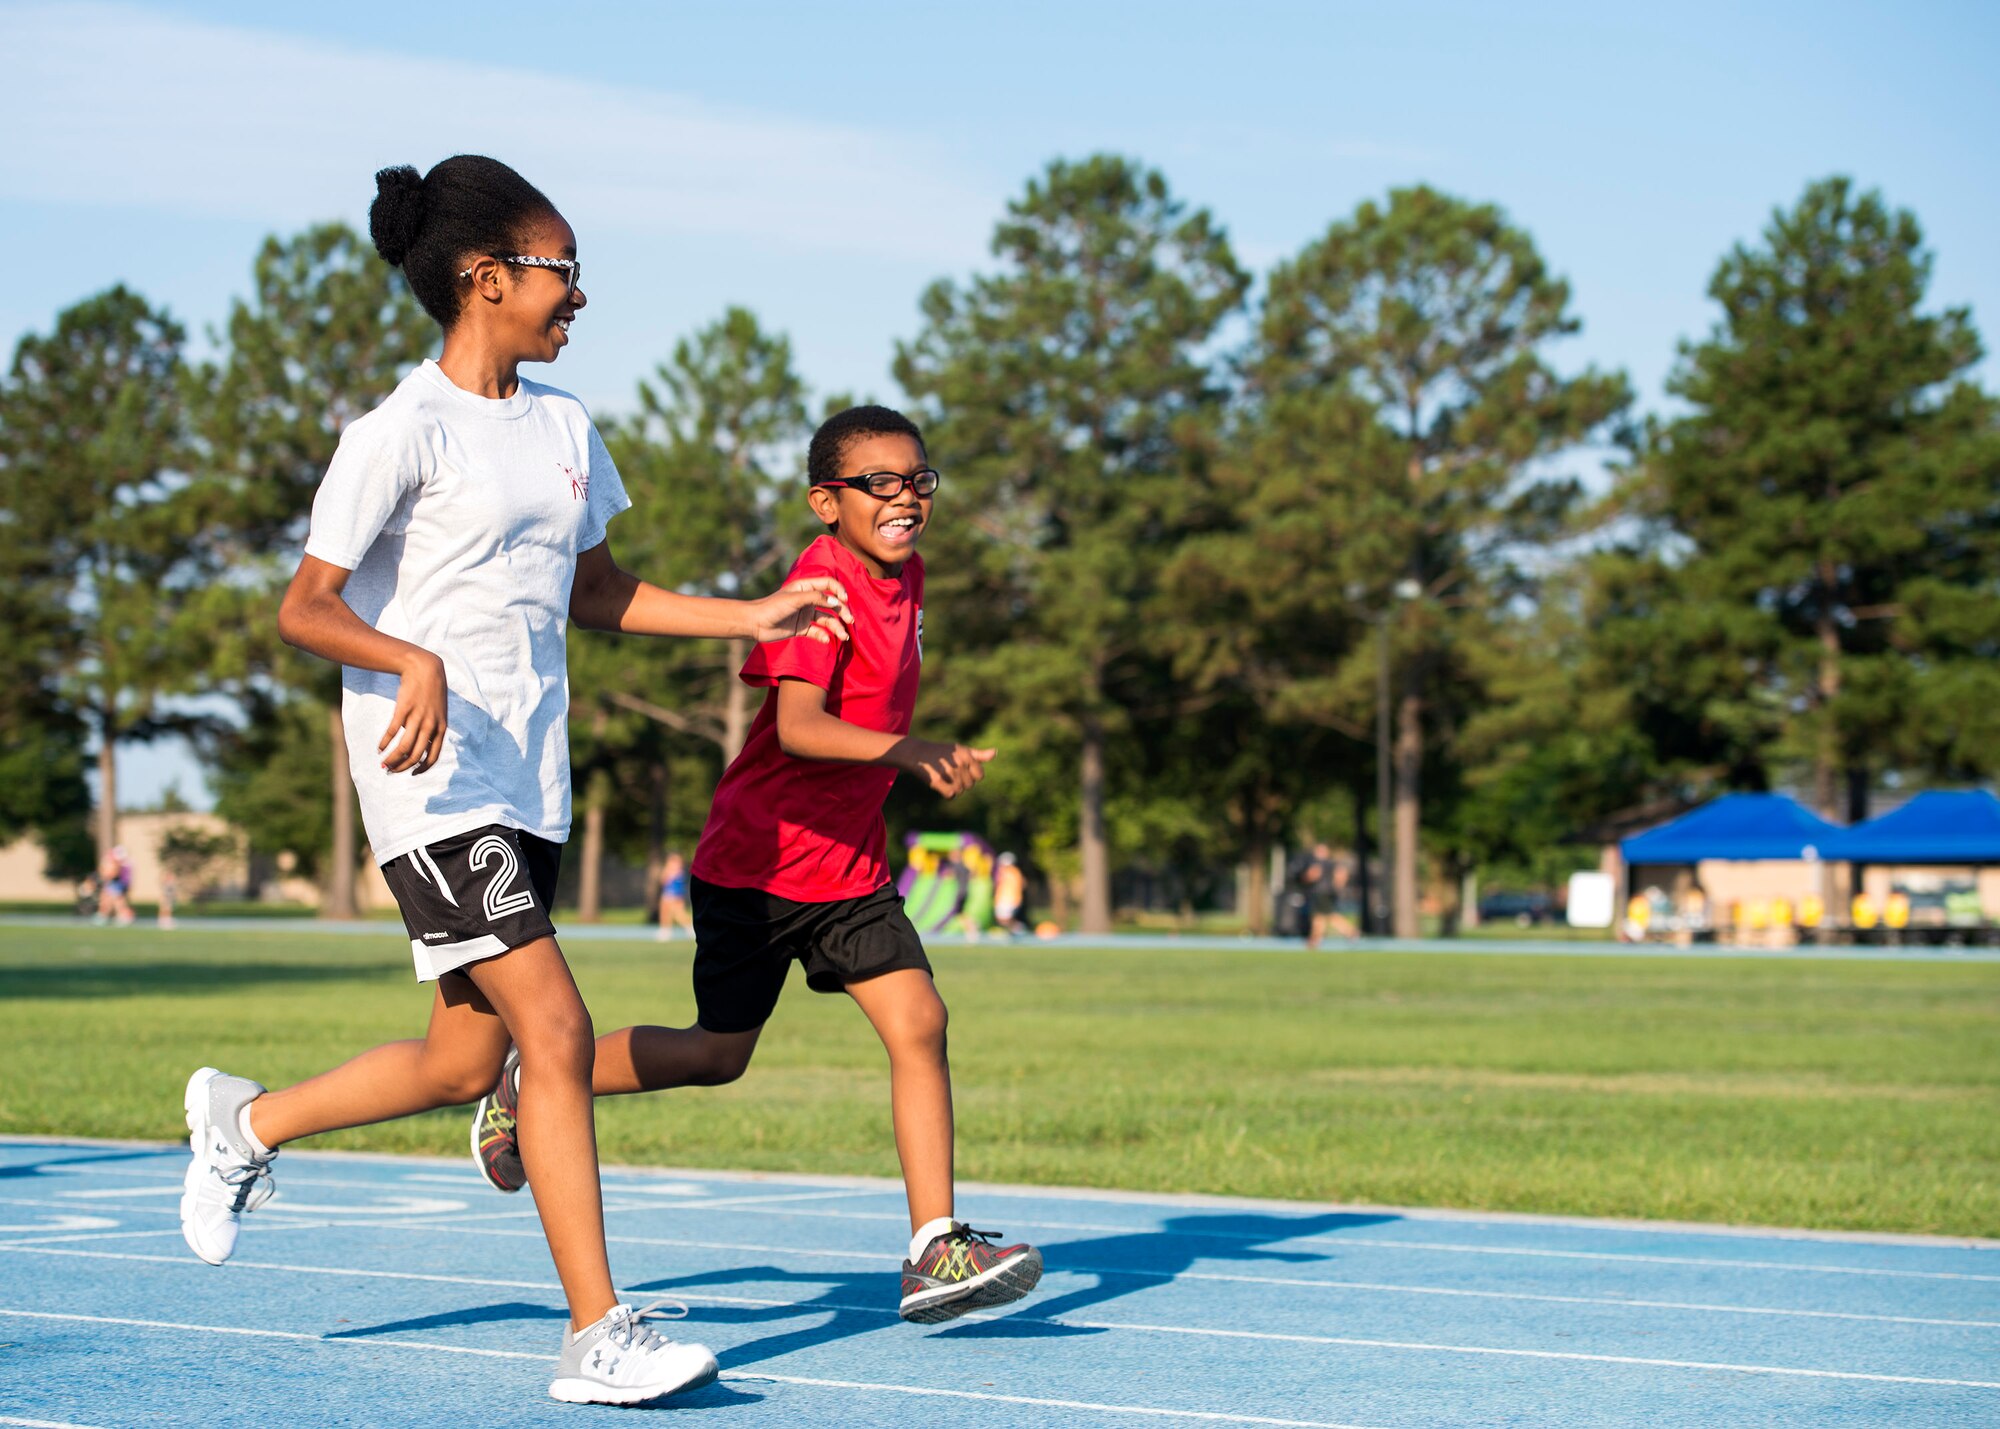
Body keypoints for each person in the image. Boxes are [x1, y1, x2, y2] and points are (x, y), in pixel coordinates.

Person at [176, 154, 852, 1407]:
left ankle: (244, 1124)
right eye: (562, 269)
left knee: (455, 1066)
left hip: (528, 777)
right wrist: (406, 656)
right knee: (556, 1029)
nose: (579, 293)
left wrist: (752, 613)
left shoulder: (563, 426)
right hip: (426, 784)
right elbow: (307, 607)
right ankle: (596, 1331)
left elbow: (598, 594)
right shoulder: (398, 434)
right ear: (485, 278)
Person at [471, 405, 1044, 1325]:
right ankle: (529, 1082)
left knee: (919, 1020)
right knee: (717, 1053)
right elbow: (801, 727)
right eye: (881, 484)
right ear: (828, 502)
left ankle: (934, 1246)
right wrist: (907, 750)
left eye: (919, 480)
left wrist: (899, 759)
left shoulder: (911, 577)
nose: (907, 499)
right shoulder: (820, 585)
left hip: (849, 869)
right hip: (758, 863)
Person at [655, 851, 692, 942]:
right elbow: (663, 881)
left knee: (679, 914)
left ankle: (690, 927)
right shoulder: (668, 871)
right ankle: (665, 931)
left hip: (675, 895)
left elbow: (677, 884)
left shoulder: (679, 872)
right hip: (667, 894)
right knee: (665, 913)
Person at [992, 852, 1027, 939]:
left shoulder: (1013, 872)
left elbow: (1021, 884)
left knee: (1006, 919)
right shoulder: (1002, 871)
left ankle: (1018, 929)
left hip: (1010, 899)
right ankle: (1016, 930)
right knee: (1001, 919)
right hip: (1002, 898)